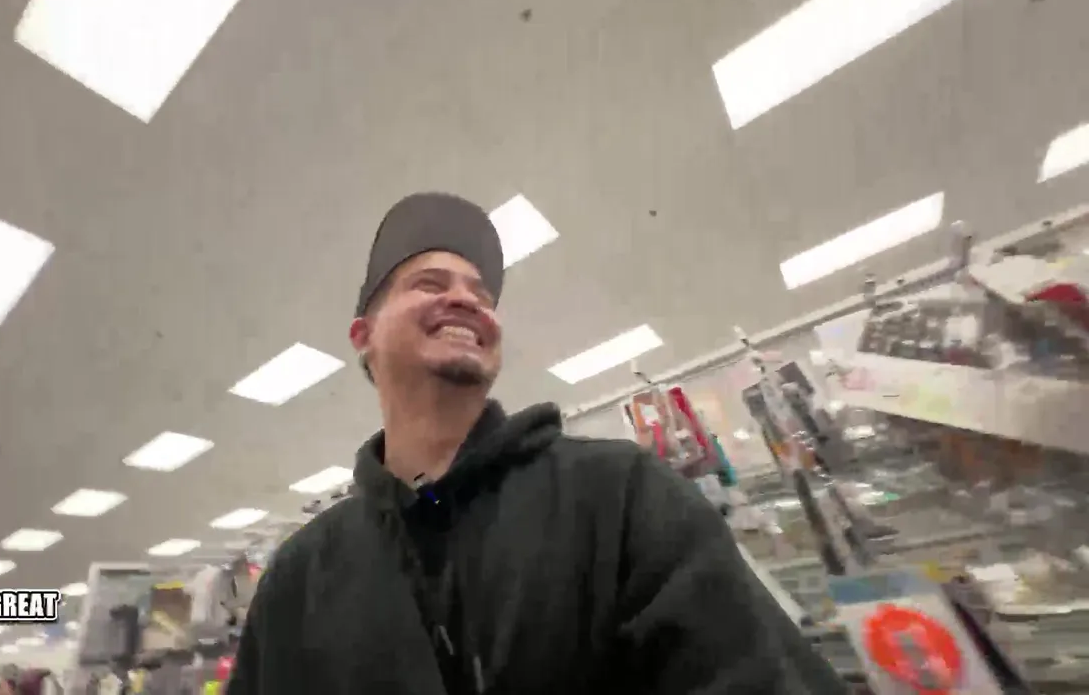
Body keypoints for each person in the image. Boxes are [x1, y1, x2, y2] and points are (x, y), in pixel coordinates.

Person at [228, 192, 849, 694]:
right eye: (429, 282)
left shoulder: (621, 499)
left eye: (481, 294)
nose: (465, 299)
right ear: (363, 336)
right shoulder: (301, 578)